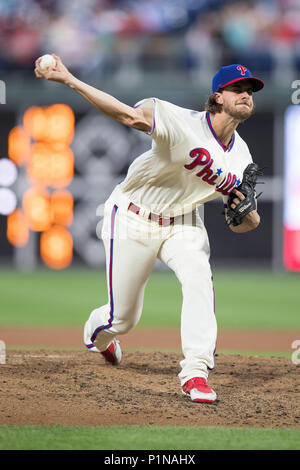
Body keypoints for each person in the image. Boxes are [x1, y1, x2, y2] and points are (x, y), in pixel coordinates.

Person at [35, 56, 264, 403]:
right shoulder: (178, 120)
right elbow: (127, 115)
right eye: (238, 89)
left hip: (184, 223)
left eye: (250, 90)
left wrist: (246, 214)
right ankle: (99, 337)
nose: (246, 94)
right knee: (122, 318)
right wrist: (69, 79)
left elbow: (247, 223)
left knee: (199, 277)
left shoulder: (242, 157)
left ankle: (196, 373)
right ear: (217, 96)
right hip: (131, 216)